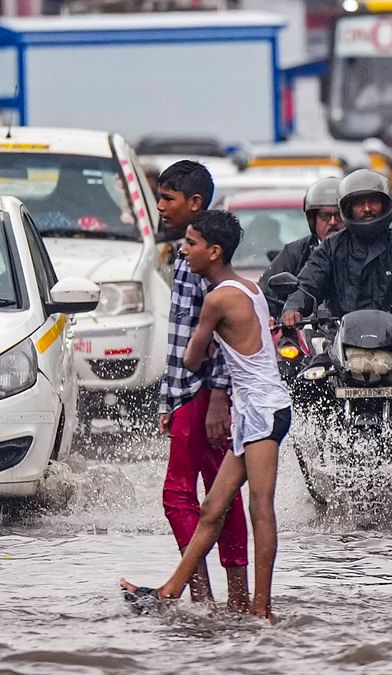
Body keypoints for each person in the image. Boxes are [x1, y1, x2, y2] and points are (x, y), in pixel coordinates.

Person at [122, 210, 292, 622]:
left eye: (192, 244)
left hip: (264, 411)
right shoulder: (248, 287)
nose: (184, 249)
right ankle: (169, 590)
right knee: (213, 509)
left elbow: (191, 358)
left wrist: (202, 333)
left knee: (260, 509)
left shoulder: (217, 298)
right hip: (257, 410)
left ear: (214, 252)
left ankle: (261, 609)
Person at [154, 160, 250, 612]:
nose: (160, 207)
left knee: (182, 494)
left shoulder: (202, 259)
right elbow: (180, 336)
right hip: (185, 393)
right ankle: (228, 599)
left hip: (203, 394)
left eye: (168, 198)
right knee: (217, 495)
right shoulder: (184, 254)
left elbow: (223, 339)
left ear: (194, 204)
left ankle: (205, 596)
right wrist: (167, 399)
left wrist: (216, 397)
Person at [280, 169, 392, 327]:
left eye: (374, 202)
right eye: (360, 203)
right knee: (316, 362)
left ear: (386, 205)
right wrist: (294, 308)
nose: (367, 208)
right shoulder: (330, 248)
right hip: (340, 344)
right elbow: (309, 283)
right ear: (348, 208)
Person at [258, 176, 342, 315]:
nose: (333, 222)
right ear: (312, 219)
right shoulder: (295, 252)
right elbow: (265, 296)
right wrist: (276, 315)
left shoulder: (363, 250)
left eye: (339, 215)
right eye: (325, 216)